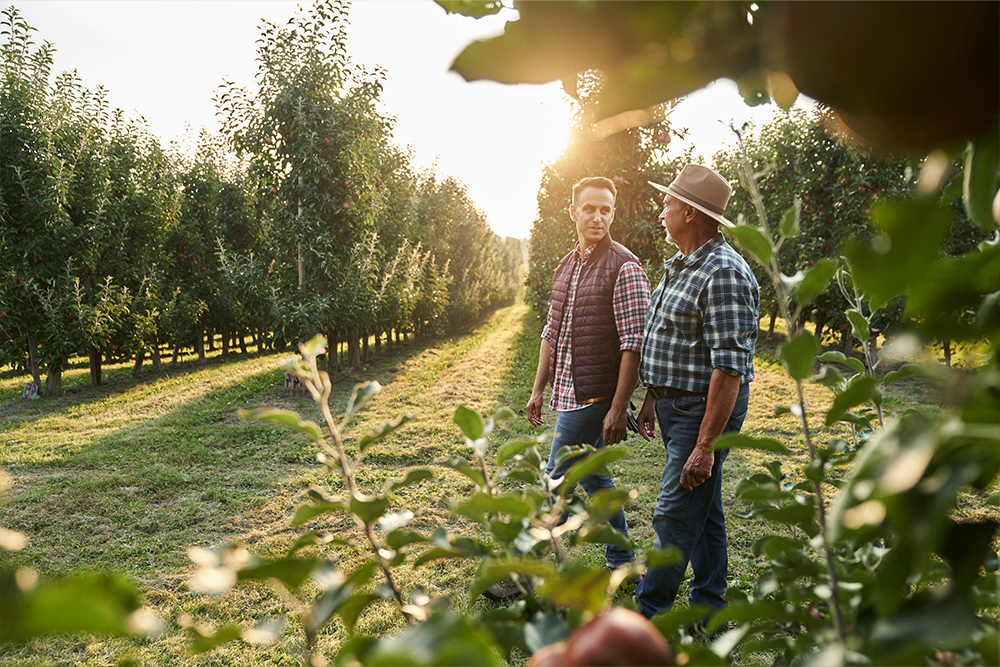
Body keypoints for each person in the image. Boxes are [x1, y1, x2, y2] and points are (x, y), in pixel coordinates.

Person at [634, 164, 759, 619]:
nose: (661, 208)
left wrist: (705, 445)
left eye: (667, 202)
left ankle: (649, 613)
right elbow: (668, 340)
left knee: (674, 512)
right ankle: (710, 606)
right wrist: (652, 396)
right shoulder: (682, 265)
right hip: (676, 404)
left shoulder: (723, 273)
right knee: (703, 511)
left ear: (688, 212)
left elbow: (729, 369)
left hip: (702, 412)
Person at [527, 176, 651, 572]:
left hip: (594, 396)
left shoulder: (625, 267)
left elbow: (634, 343)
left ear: (613, 213)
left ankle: (531, 568)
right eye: (590, 209)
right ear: (573, 212)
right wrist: (536, 390)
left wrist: (617, 409)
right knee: (596, 477)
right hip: (568, 389)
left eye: (605, 210)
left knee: (555, 478)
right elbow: (552, 331)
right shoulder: (567, 265)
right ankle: (623, 558)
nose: (598, 217)